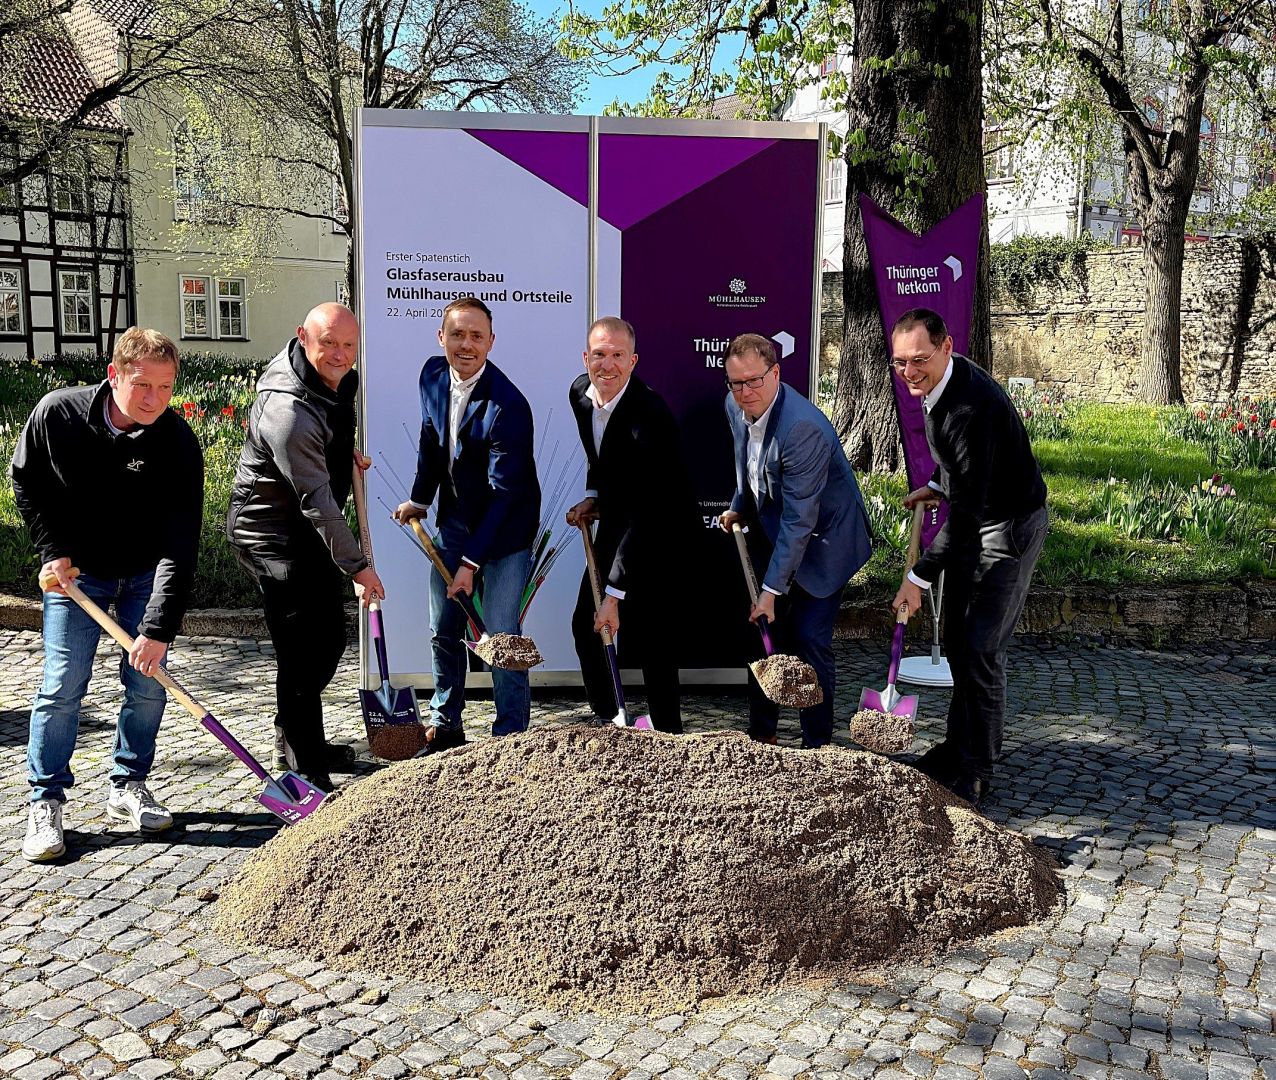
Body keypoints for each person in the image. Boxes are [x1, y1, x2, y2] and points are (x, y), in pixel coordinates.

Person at [10, 328, 204, 861]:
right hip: (79, 577)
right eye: (143, 385)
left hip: (145, 573)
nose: (154, 400)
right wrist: (53, 549)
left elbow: (180, 544)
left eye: (166, 388)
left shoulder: (178, 444)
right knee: (62, 682)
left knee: (148, 683)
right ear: (114, 374)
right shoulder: (59, 415)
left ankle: (128, 784)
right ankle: (45, 800)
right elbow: (28, 482)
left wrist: (158, 630)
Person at [890, 307, 1048, 807]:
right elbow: (961, 470)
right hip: (978, 512)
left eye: (919, 360)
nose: (910, 372)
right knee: (958, 639)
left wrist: (917, 577)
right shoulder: (937, 390)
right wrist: (936, 485)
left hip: (1009, 525)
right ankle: (957, 749)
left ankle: (976, 771)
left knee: (979, 648)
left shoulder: (968, 408)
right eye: (900, 363)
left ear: (946, 347)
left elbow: (968, 515)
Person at [227, 302, 384, 792]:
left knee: (330, 640)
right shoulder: (287, 409)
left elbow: (331, 432)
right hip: (270, 532)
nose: (339, 355)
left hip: (308, 525)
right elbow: (316, 499)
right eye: (328, 344)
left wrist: (342, 455)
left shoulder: (338, 379)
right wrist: (359, 567)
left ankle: (300, 738)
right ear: (302, 337)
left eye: (348, 346)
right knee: (299, 648)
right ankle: (303, 766)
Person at [393, 297, 540, 751]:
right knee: (444, 627)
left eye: (477, 336)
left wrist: (470, 564)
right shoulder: (431, 375)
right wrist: (420, 499)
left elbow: (504, 496)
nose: (467, 344)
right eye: (457, 334)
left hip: (507, 528)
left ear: (491, 342)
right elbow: (431, 440)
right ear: (442, 337)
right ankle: (446, 719)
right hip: (456, 521)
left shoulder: (509, 406)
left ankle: (510, 734)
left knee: (501, 636)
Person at [719, 333, 871, 748]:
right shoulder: (736, 406)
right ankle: (762, 736)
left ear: (776, 373)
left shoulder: (801, 428)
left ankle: (816, 745)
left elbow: (799, 521)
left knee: (808, 639)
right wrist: (740, 505)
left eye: (754, 381)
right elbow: (747, 465)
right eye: (736, 383)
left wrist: (770, 591)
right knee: (761, 631)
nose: (745, 392)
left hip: (826, 541)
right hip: (779, 527)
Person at [564, 317, 699, 733]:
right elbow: (598, 453)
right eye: (599, 355)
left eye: (617, 356)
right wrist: (595, 496)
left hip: (662, 527)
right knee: (586, 626)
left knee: (652, 638)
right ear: (586, 357)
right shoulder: (580, 395)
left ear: (633, 361)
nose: (607, 366)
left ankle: (669, 734)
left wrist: (614, 593)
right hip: (620, 517)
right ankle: (610, 719)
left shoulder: (649, 418)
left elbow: (648, 512)